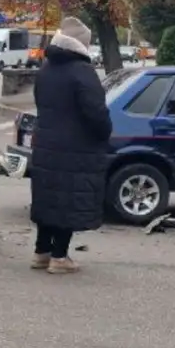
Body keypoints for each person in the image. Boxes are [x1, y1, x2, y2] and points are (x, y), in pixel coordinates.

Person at [28, 17, 113, 274]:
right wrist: (105, 133)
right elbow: (97, 113)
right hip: (76, 147)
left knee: (49, 199)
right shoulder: (83, 73)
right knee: (68, 200)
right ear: (81, 45)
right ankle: (59, 257)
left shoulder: (46, 69)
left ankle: (40, 252)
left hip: (46, 144)